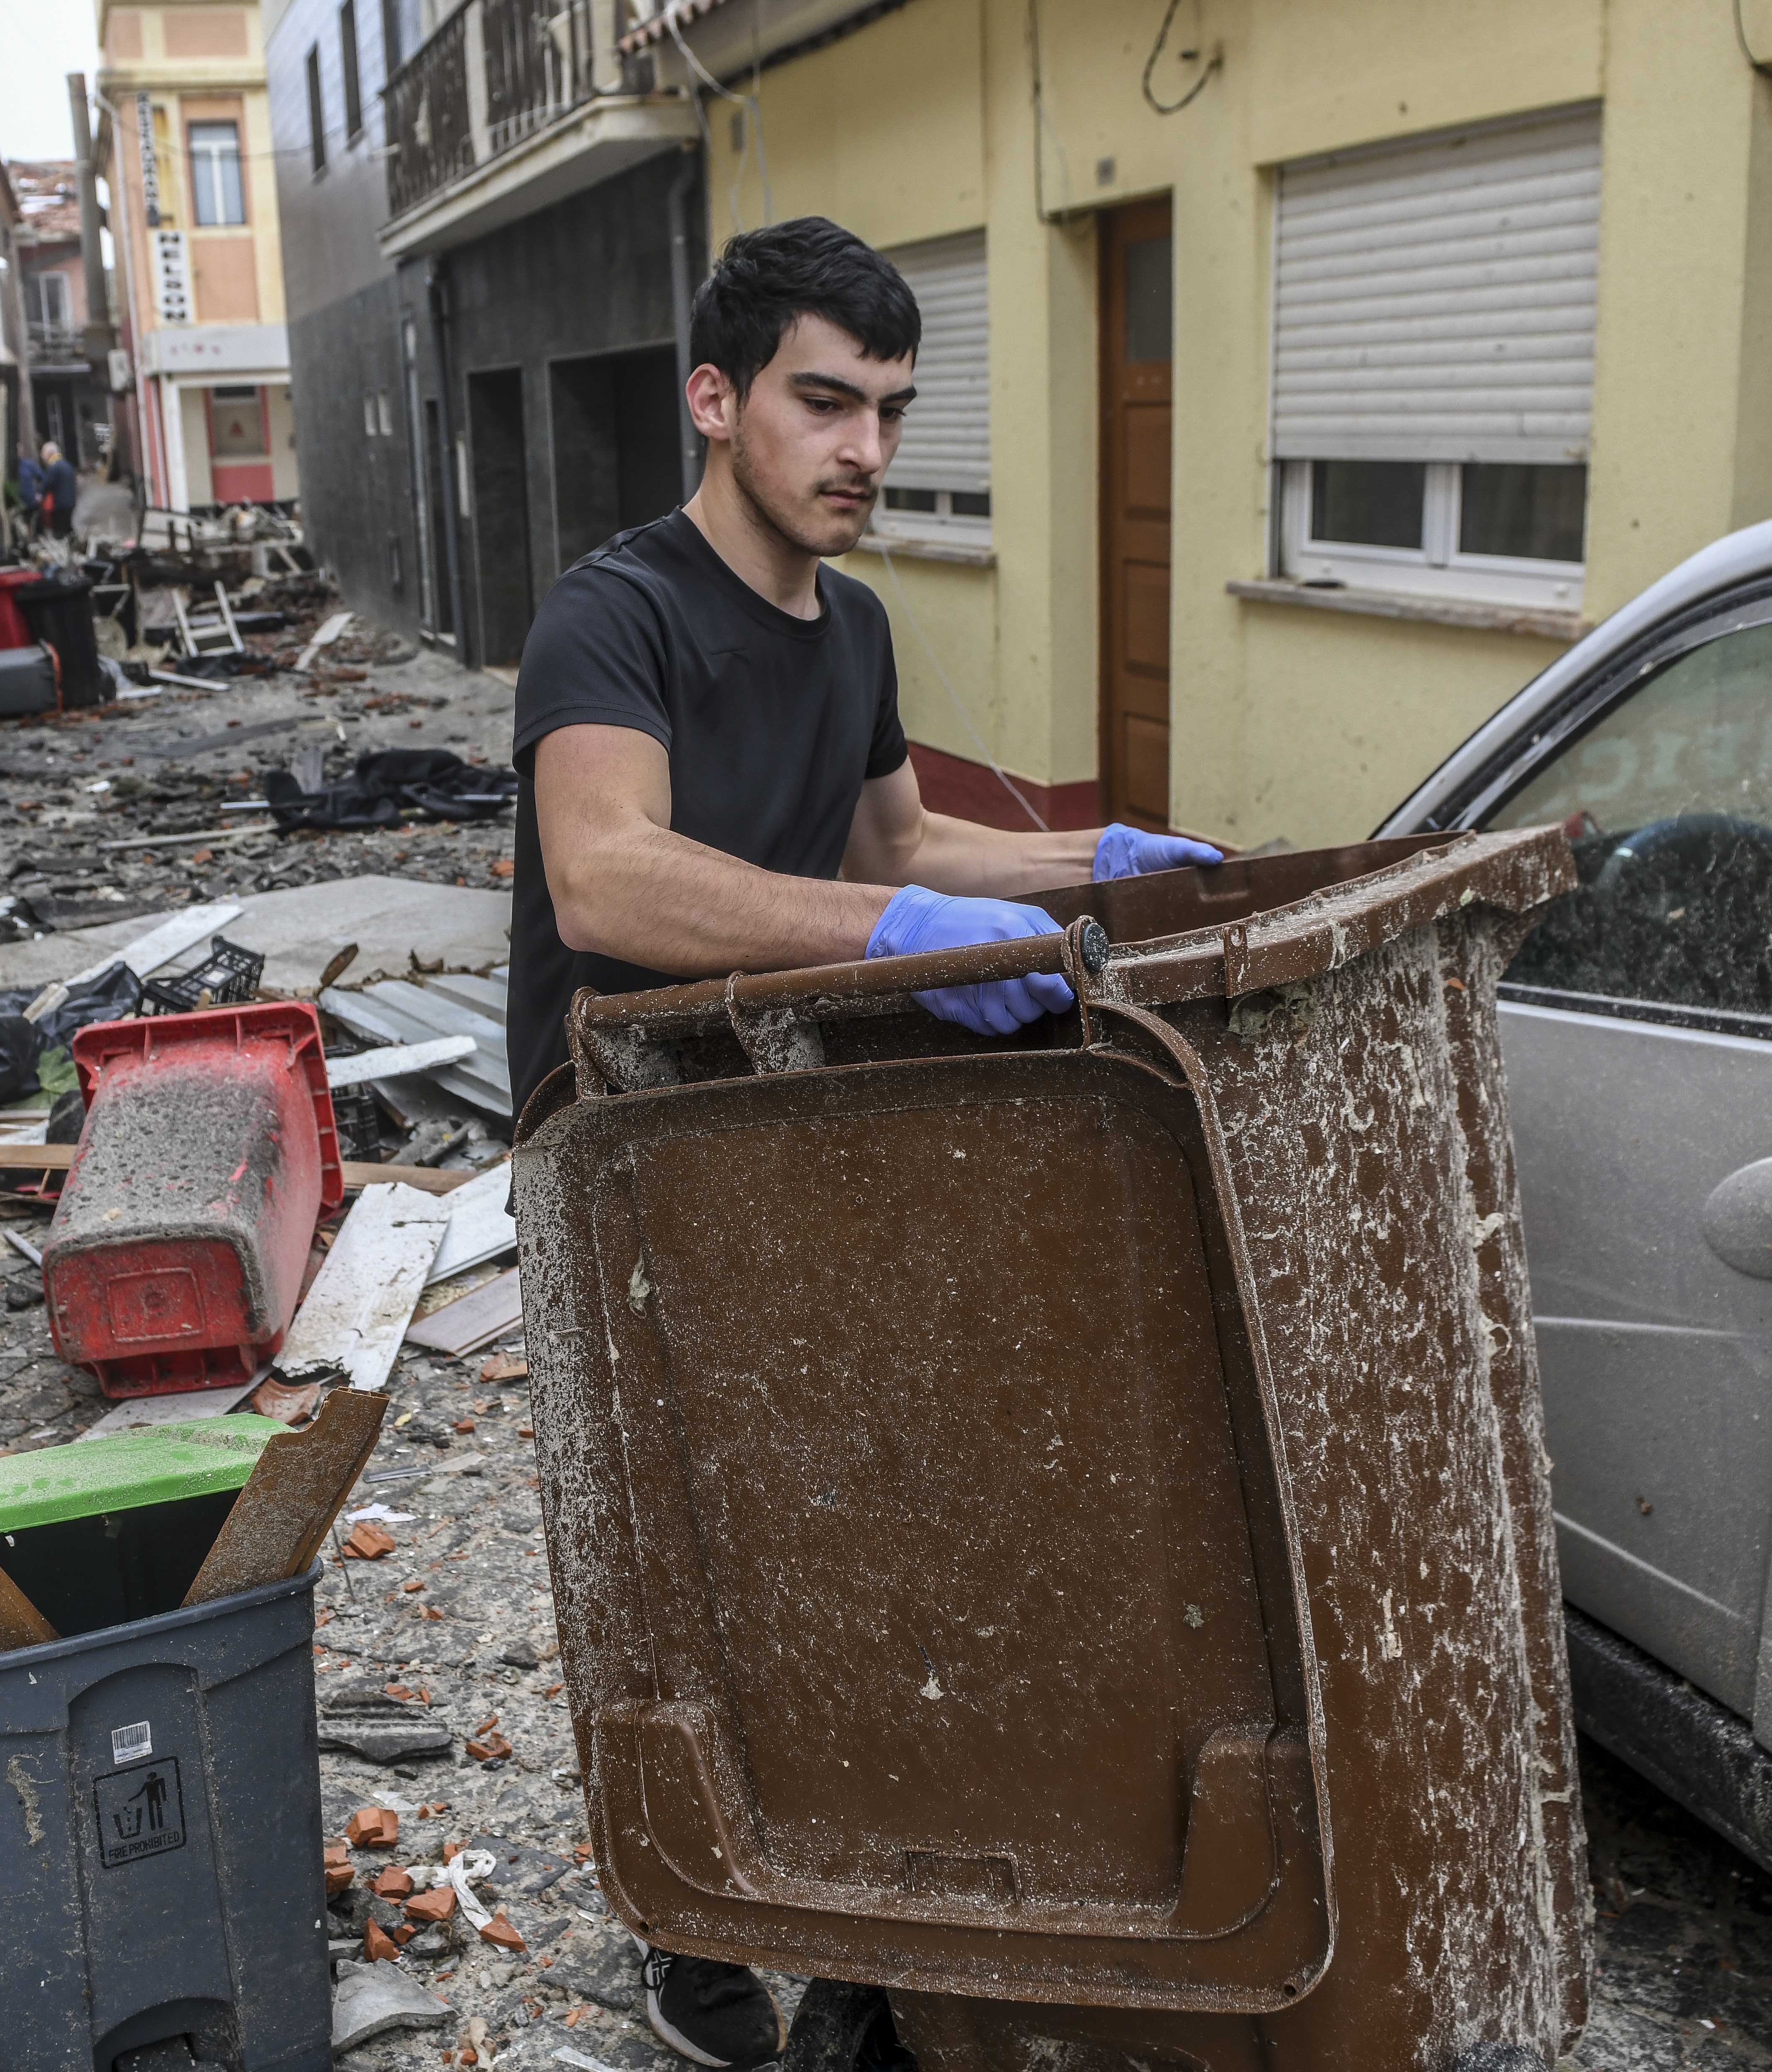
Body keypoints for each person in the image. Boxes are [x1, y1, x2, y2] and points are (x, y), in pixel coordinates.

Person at [506, 216, 1220, 2068]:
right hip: (614, 1146)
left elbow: (897, 847)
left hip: (777, 1118)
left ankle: (827, 1860)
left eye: (892, 411)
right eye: (826, 403)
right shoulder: (617, 611)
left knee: (814, 1520)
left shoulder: (861, 627)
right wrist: (886, 945)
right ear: (717, 396)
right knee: (657, 1554)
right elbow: (610, 870)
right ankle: (683, 1923)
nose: (865, 452)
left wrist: (1095, 859)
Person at [38, 440, 78, 538]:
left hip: (59, 506)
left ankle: (64, 550)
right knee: (68, 529)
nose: (44, 459)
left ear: (49, 455)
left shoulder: (54, 467)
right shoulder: (67, 465)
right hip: (71, 503)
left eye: (44, 456)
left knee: (59, 533)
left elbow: (46, 485)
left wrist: (39, 495)